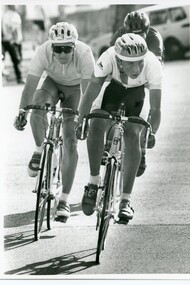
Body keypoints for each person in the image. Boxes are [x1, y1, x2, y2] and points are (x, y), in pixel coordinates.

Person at [76, 33, 163, 221]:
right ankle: (93, 183)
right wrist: (81, 120)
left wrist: (152, 132)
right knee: (96, 122)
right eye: (130, 63)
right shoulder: (107, 57)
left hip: (138, 93)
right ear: (118, 59)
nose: (137, 68)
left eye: (139, 62)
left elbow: (156, 108)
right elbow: (90, 94)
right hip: (113, 88)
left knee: (134, 132)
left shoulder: (153, 65)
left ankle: (125, 200)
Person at [14, 22, 95, 221]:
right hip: (52, 83)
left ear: (74, 47)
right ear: (51, 47)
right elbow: (30, 86)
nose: (62, 53)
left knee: (70, 141)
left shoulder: (85, 54)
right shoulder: (43, 52)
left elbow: (87, 93)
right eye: (57, 49)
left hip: (76, 91)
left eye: (67, 48)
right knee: (38, 106)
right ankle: (39, 149)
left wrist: (83, 121)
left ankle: (64, 200)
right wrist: (22, 111)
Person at [110, 11, 164, 177]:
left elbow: (155, 66)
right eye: (131, 34)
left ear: (146, 31)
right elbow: (111, 58)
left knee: (146, 99)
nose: (136, 37)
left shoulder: (154, 38)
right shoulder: (119, 35)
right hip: (126, 68)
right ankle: (108, 140)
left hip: (147, 69)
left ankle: (142, 144)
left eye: (140, 34)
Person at [2, 5, 24, 84]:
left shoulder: (15, 15)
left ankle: (19, 78)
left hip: (14, 41)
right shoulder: (9, 15)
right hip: (11, 41)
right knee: (15, 60)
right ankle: (19, 78)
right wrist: (14, 39)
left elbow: (17, 29)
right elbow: (11, 28)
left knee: (17, 59)